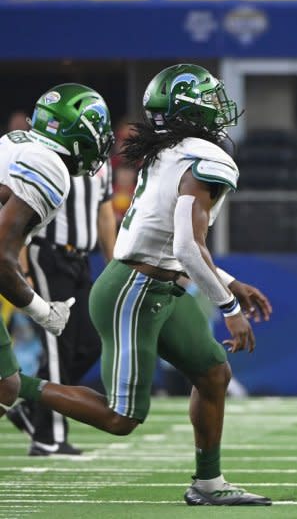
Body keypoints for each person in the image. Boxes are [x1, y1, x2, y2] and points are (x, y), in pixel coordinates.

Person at [15, 64, 274, 506]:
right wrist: (229, 308)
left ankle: (208, 484)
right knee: (121, 418)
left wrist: (231, 280)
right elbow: (189, 248)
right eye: (209, 101)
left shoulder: (170, 152)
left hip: (155, 286)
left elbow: (175, 244)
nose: (219, 109)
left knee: (213, 374)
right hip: (134, 290)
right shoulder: (203, 159)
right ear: (190, 111)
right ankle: (13, 386)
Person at [0, 84, 113, 419]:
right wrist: (42, 311)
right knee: (5, 387)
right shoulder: (50, 169)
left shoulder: (15, 141)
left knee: (6, 386)